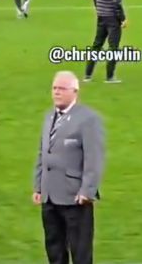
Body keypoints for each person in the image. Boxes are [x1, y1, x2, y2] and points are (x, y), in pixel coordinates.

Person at [33, 71, 105, 264]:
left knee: (80, 252)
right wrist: (38, 186)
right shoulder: (49, 116)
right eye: (54, 88)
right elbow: (42, 152)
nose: (57, 92)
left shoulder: (88, 119)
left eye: (62, 89)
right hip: (49, 196)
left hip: (75, 198)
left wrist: (87, 191)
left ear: (75, 92)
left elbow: (94, 158)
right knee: (54, 249)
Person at [85, 0, 126, 83]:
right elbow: (116, 1)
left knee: (97, 45)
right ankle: (110, 76)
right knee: (113, 47)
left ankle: (88, 74)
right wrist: (123, 18)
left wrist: (99, 10)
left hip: (102, 15)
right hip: (112, 18)